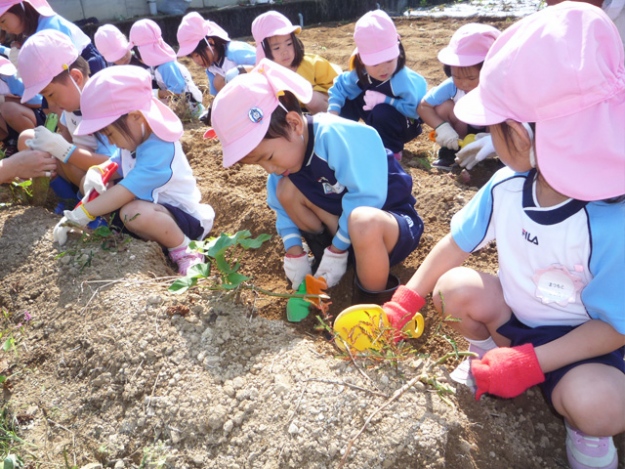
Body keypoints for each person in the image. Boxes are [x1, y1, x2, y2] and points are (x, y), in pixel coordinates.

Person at [338, 3, 625, 469]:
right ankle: (488, 361)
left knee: (601, 403)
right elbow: (455, 245)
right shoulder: (507, 185)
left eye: (493, 124)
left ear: (519, 133)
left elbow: (614, 328)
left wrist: (530, 366)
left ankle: (585, 436)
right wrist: (405, 301)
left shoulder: (611, 221)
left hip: (582, 348)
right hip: (516, 318)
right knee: (456, 288)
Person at [208, 59, 424, 301]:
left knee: (363, 221)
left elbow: (368, 197)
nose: (268, 168)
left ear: (294, 123)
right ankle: (328, 259)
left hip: (389, 224)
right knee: (285, 191)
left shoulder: (335, 136)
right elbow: (282, 209)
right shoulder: (284, 165)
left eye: (268, 157)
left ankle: (371, 303)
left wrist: (339, 247)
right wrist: (294, 252)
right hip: (347, 233)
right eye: (258, 163)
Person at [53, 65, 215, 275]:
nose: (111, 141)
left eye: (110, 134)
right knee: (101, 188)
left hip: (184, 220)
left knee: (133, 213)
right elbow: (115, 164)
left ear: (136, 116)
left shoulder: (160, 150)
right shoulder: (135, 139)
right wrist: (98, 172)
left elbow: (125, 191)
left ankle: (186, 250)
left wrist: (82, 214)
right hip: (155, 211)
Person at [15, 29, 117, 211]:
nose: (51, 103)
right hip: (75, 169)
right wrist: (52, 143)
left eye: (51, 95)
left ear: (76, 77)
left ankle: (89, 208)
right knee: (27, 139)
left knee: (84, 173)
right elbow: (65, 131)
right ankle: (68, 198)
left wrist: (63, 149)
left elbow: (112, 163)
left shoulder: (104, 108)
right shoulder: (71, 107)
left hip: (104, 177)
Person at [327, 10, 426, 161]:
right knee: (348, 98)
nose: (383, 69)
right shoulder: (362, 73)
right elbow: (340, 87)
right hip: (375, 116)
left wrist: (386, 100)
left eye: (388, 60)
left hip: (404, 124)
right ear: (361, 60)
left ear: (398, 51)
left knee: (382, 112)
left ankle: (392, 151)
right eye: (375, 63)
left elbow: (414, 110)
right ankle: (343, 139)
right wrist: (332, 114)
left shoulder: (402, 79)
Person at [417, 23, 500, 170]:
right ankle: (450, 151)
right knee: (443, 108)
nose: (464, 83)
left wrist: (495, 139)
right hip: (461, 132)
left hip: (491, 132)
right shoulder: (451, 86)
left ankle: (501, 154)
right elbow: (424, 106)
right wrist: (442, 128)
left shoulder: (500, 87)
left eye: (471, 78)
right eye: (457, 77)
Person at [251, 10, 340, 114]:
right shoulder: (263, 75)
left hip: (323, 114)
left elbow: (338, 90)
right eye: (277, 48)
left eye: (289, 44)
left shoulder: (313, 64)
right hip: (288, 119)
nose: (285, 52)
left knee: (312, 99)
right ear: (263, 51)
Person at [0, 0, 106, 75]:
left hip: (85, 65)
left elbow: (66, 64)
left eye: (3, 21)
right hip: (65, 71)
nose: (4, 28)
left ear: (19, 9)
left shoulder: (50, 26)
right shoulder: (34, 29)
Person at [129, 19, 205, 119]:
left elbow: (178, 92)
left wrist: (157, 94)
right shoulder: (157, 64)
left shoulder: (166, 66)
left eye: (136, 53)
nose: (136, 58)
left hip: (190, 109)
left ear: (145, 52)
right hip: (179, 108)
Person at [176, 12, 256, 97]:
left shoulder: (235, 51)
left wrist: (242, 70)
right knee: (218, 81)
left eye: (197, 55)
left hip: (261, 93)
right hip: (243, 101)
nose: (196, 61)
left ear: (210, 43)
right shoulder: (211, 69)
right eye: (192, 57)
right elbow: (216, 96)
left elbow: (266, 65)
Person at [0, 54, 46, 156]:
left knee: (7, 108)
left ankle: (37, 145)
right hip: (9, 123)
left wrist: (5, 99)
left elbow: (39, 102)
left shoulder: (6, 74)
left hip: (39, 116)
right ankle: (11, 143)